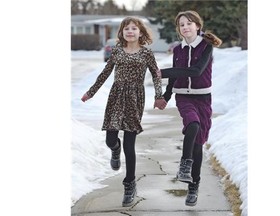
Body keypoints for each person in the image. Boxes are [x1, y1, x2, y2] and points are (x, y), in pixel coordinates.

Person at [81, 16, 167, 207]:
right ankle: (114, 150)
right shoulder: (117, 51)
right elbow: (105, 73)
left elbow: (156, 75)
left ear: (140, 32)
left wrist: (158, 96)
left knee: (130, 144)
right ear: (121, 32)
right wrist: (91, 92)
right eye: (126, 28)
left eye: (134, 28)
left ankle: (129, 184)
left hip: (136, 98)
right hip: (116, 95)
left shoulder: (146, 53)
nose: (130, 31)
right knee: (110, 138)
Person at [158, 10, 222, 206]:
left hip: (203, 98)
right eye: (181, 25)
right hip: (183, 97)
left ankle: (193, 187)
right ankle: (185, 165)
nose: (185, 27)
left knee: (198, 144)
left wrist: (161, 72)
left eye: (189, 23)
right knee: (192, 125)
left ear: (197, 25)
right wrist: (166, 96)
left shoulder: (206, 46)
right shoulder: (178, 49)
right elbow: (175, 77)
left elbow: (196, 71)